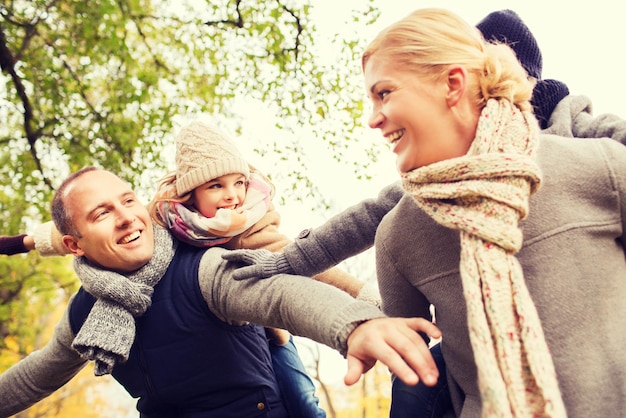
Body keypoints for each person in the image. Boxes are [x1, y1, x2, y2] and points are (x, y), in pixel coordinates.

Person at [223, 8, 626, 417]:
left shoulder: (597, 164)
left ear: (454, 83)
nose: (372, 118)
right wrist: (288, 270)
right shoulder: (399, 232)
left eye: (385, 93)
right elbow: (408, 346)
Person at [0, 121, 381, 418]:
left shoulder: (216, 259)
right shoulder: (90, 308)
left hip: (261, 374)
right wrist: (17, 243)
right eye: (103, 212)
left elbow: (287, 289)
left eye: (128, 200)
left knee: (301, 397)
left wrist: (356, 320)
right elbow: (37, 374)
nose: (126, 218)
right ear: (75, 245)